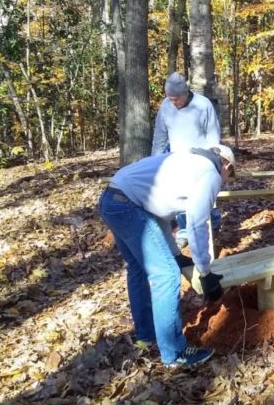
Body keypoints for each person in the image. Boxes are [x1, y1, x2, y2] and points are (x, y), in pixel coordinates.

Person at [98, 145, 234, 367]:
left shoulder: (186, 160)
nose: (227, 180)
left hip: (111, 199)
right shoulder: (210, 173)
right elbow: (197, 224)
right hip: (128, 206)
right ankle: (175, 353)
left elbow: (155, 209)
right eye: (231, 174)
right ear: (226, 165)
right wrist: (206, 272)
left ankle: (146, 335)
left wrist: (176, 254)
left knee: (138, 268)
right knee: (167, 275)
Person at [151, 72, 223, 242]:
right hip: (177, 162)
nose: (172, 102)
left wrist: (213, 161)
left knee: (205, 199)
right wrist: (154, 162)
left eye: (176, 98)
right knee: (181, 199)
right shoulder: (166, 106)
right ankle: (185, 232)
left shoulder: (203, 105)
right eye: (169, 98)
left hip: (201, 162)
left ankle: (213, 227)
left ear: (185, 93)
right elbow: (160, 137)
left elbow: (213, 136)